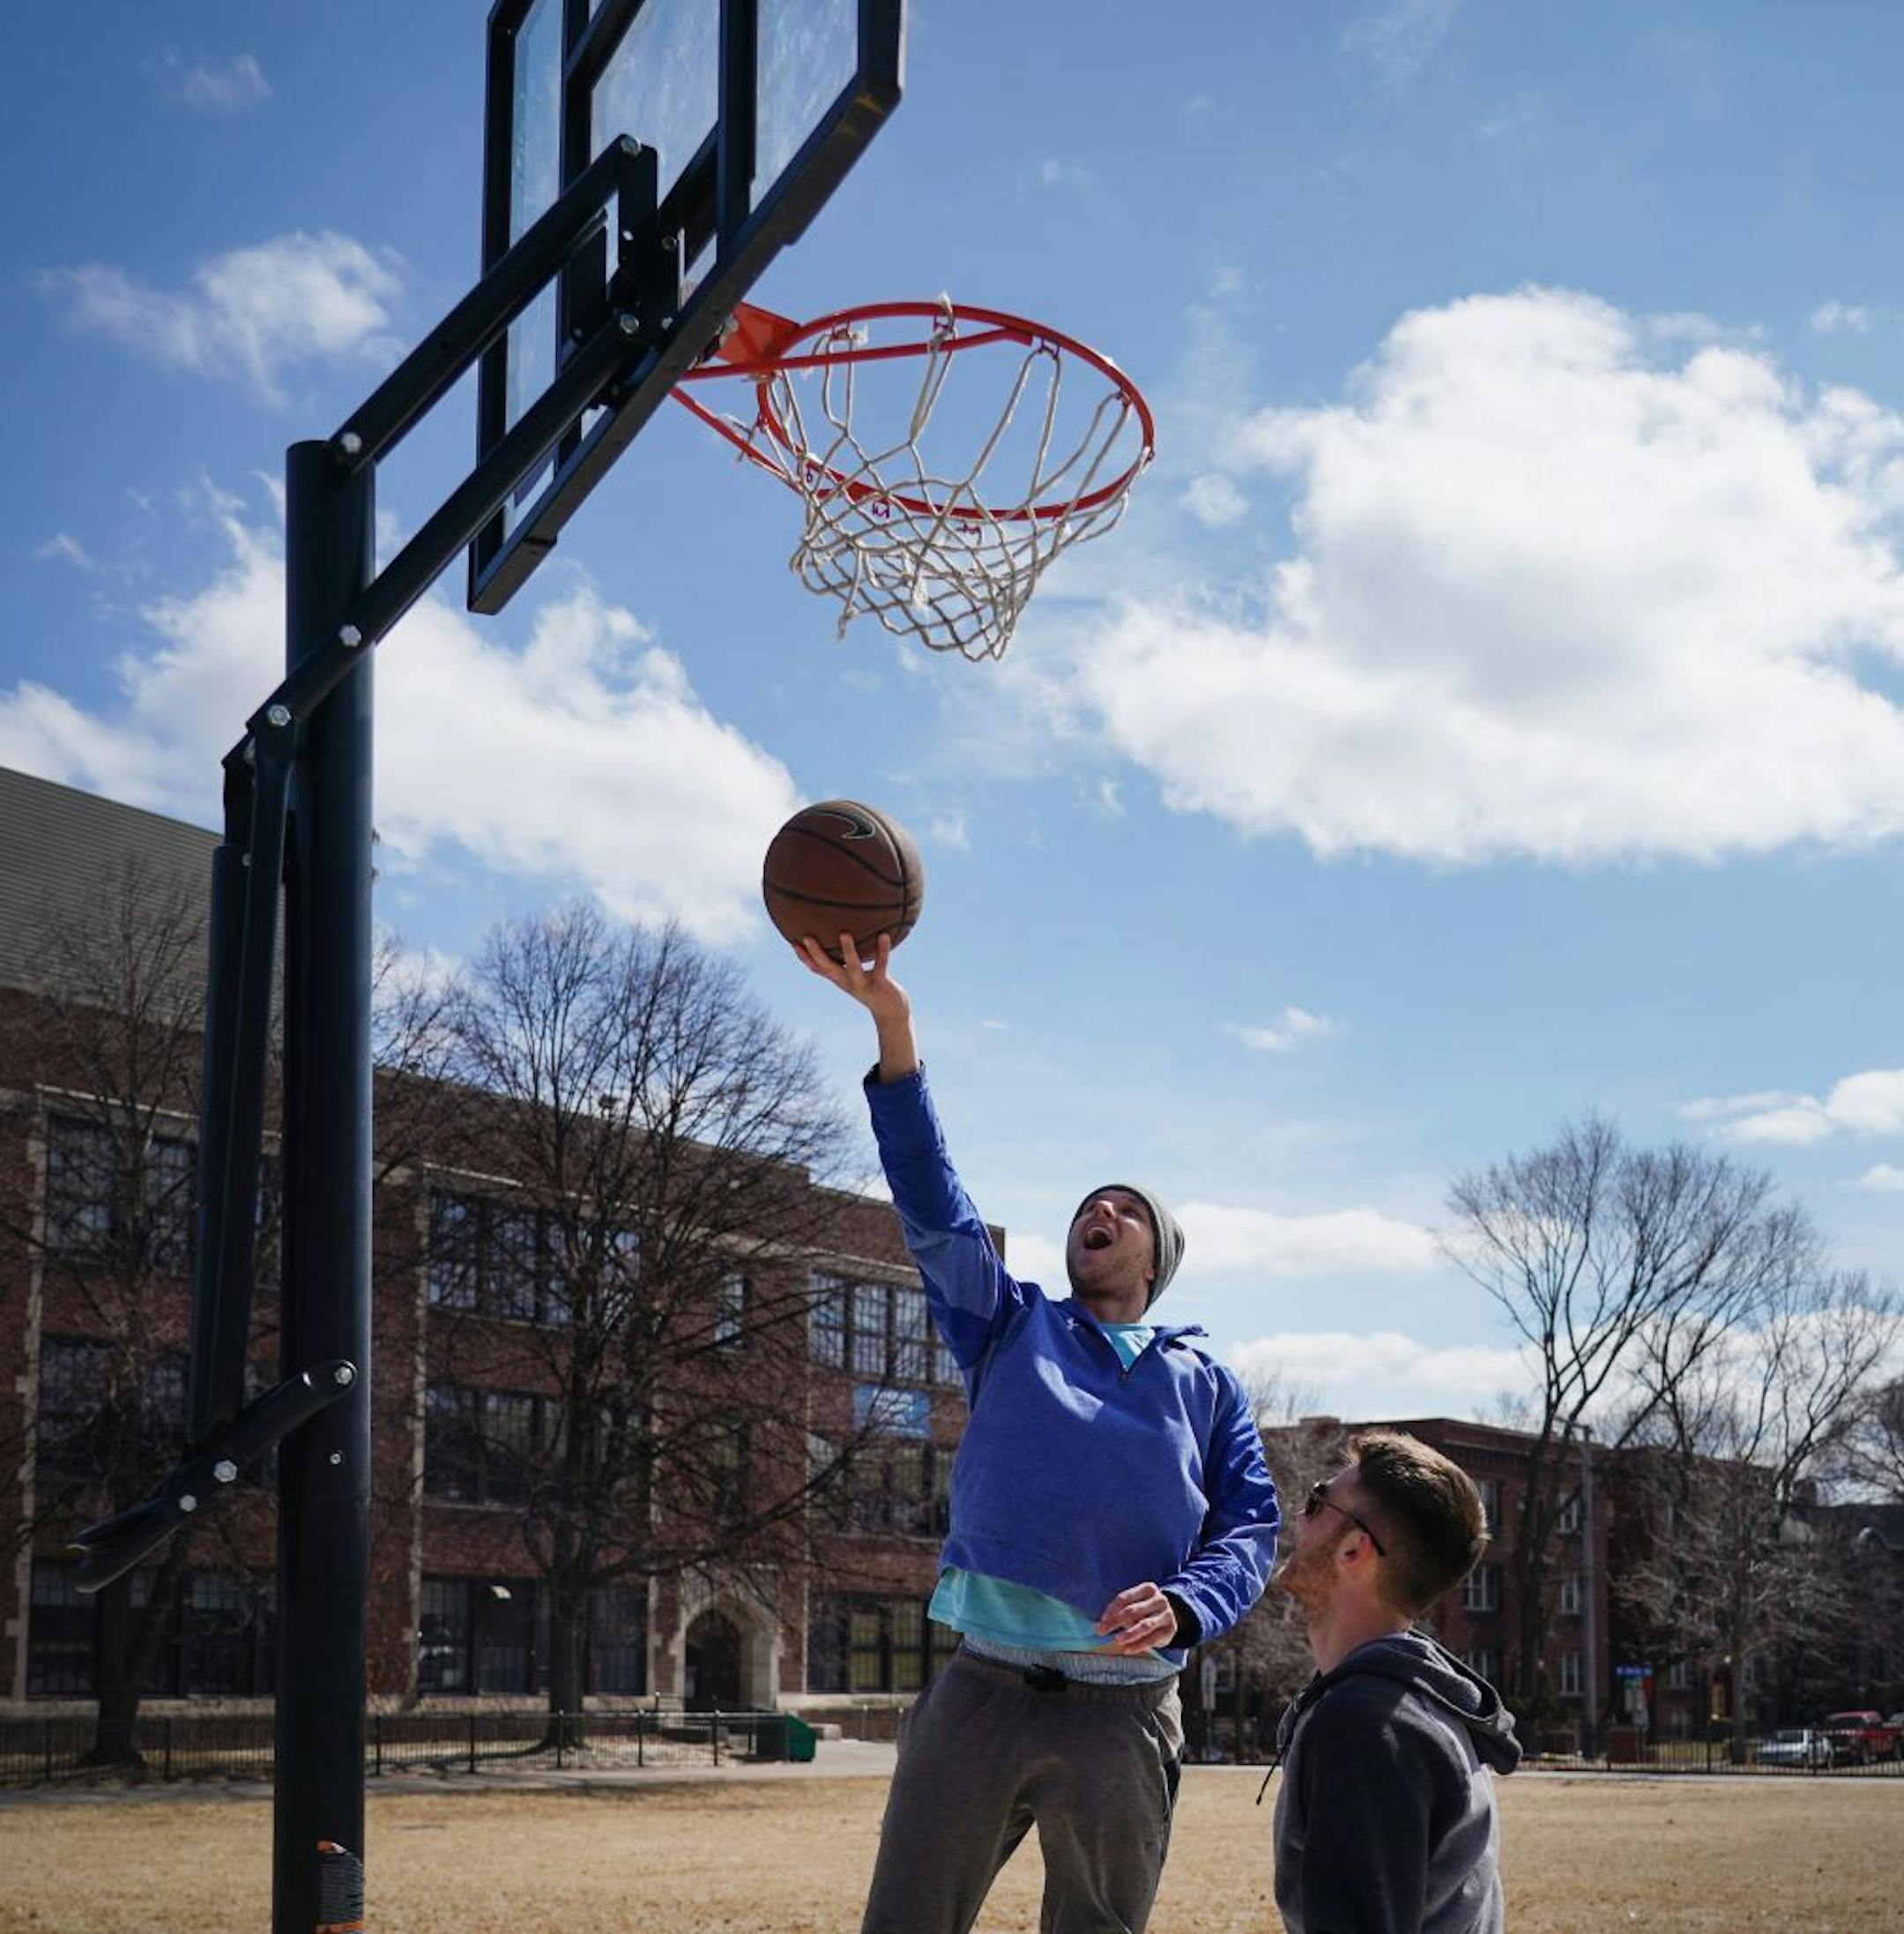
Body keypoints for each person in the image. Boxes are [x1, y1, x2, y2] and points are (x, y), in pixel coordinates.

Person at [798, 933, 1281, 1934]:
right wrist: (895, 1028)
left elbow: (1251, 1530)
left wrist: (1191, 1603)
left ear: (1157, 1258)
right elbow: (933, 1201)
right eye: (1087, 1205)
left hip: (1126, 1710)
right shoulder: (1011, 1326)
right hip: (981, 1688)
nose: (1097, 1210)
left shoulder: (1207, 1383)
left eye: (1125, 1208)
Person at [1268, 1430, 1521, 1934]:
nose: (1298, 1516)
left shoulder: (1368, 1725)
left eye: (1318, 1502)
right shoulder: (1402, 1701)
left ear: (1354, 1550)